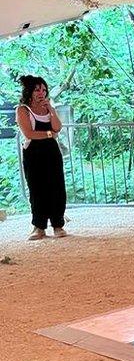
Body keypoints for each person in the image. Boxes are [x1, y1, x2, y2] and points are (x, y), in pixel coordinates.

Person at [15, 75, 66, 241]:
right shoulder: (22, 110)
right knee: (37, 188)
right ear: (29, 91)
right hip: (33, 153)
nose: (41, 93)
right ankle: (39, 226)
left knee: (57, 187)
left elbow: (58, 126)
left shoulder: (49, 107)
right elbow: (29, 133)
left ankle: (58, 224)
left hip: (52, 152)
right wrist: (50, 134)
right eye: (37, 89)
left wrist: (50, 109)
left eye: (44, 90)